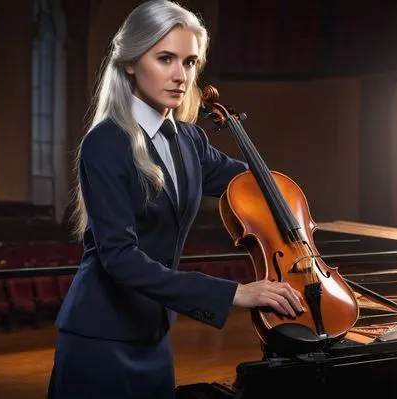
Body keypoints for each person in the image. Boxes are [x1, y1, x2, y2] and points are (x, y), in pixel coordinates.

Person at [47, 1, 305, 398]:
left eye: (189, 62)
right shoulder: (106, 143)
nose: (180, 75)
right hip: (99, 336)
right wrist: (233, 293)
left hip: (153, 331)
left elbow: (257, 186)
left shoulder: (190, 140)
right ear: (131, 62)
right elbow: (120, 258)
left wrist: (294, 221)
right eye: (165, 58)